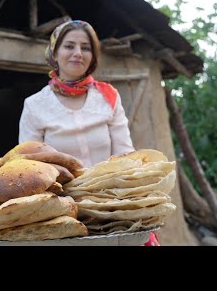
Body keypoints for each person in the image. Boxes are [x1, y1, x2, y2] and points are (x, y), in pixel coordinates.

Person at [18, 20, 159, 246]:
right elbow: (29, 166)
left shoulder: (107, 97)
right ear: (54, 52)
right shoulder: (35, 105)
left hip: (112, 204)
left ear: (93, 56)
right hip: (62, 209)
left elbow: (125, 152)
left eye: (85, 48)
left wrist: (131, 199)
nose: (78, 53)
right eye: (69, 46)